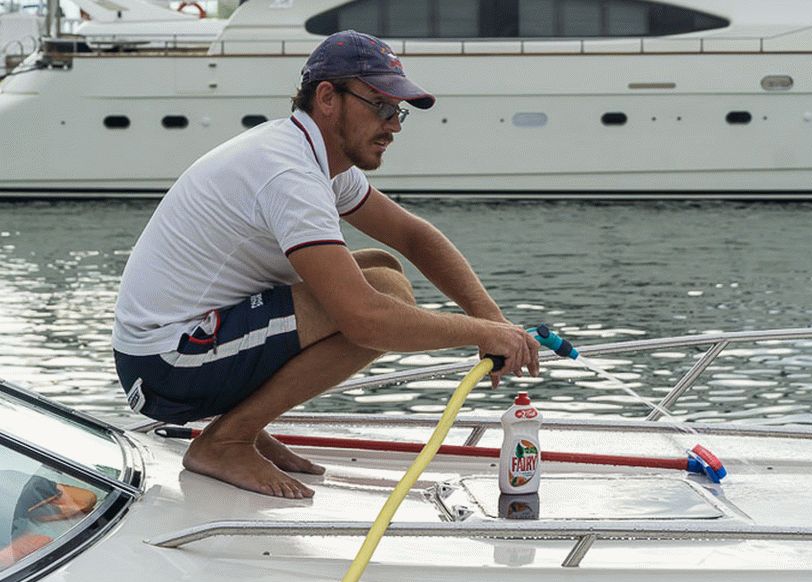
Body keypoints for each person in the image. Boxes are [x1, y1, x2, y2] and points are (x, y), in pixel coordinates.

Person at [111, 30, 541, 500]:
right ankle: (227, 440)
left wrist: (494, 319)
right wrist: (481, 334)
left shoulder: (312, 158)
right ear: (327, 97)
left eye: (396, 112)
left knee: (382, 265)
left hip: (180, 350)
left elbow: (413, 236)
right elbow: (366, 320)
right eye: (380, 106)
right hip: (166, 365)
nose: (393, 124)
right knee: (382, 297)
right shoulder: (288, 173)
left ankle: (240, 427)